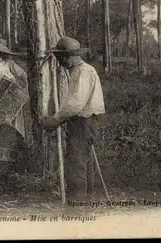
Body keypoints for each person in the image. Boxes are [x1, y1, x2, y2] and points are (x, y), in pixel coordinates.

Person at [39, 36, 105, 201]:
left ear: (70, 57)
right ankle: (85, 200)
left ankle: (77, 202)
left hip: (84, 122)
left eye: (62, 58)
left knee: (77, 164)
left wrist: (55, 120)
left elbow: (75, 103)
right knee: (82, 162)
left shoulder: (83, 72)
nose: (61, 63)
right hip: (81, 121)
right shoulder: (78, 71)